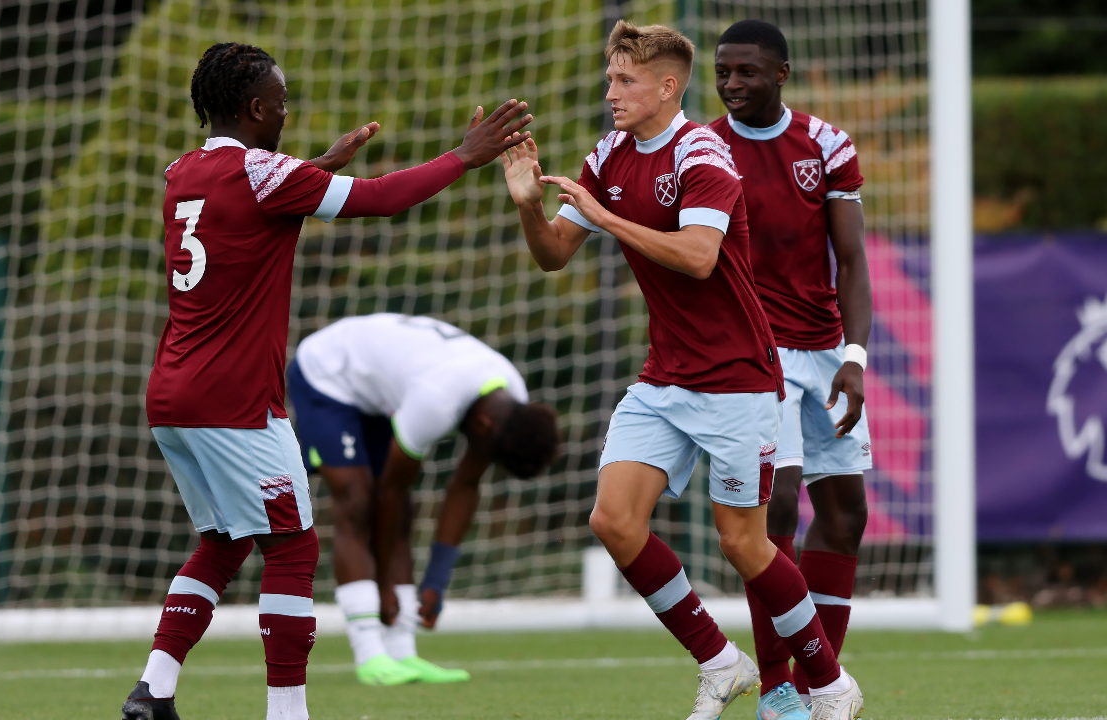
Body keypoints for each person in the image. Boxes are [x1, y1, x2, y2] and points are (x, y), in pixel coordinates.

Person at [122, 42, 533, 720]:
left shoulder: (182, 171)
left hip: (172, 393)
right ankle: (289, 712)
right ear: (256, 107)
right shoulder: (267, 173)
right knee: (295, 547)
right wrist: (465, 156)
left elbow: (244, 211)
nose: (286, 112)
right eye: (281, 103)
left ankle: (153, 692)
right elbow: (380, 199)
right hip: (236, 399)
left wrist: (315, 170)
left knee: (225, 543)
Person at [501, 20, 863, 720]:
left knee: (744, 543)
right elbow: (553, 254)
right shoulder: (607, 153)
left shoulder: (704, 154)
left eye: (625, 80)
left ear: (668, 87)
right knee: (613, 519)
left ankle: (829, 682)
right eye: (610, 78)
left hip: (737, 378)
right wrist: (526, 207)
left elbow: (698, 256)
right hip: (665, 378)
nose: (611, 92)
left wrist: (605, 217)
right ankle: (720, 661)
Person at [710, 20, 873, 720]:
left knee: (845, 515)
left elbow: (853, 259)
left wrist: (857, 357)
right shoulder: (703, 147)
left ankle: (815, 692)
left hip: (826, 350)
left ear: (781, 73)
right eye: (723, 71)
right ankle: (779, 689)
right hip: (755, 353)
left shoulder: (826, 145)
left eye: (747, 71)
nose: (731, 84)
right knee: (775, 508)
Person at [285, 313, 560, 686]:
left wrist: (437, 579)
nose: (482, 459)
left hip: (379, 387)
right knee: (358, 500)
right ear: (483, 427)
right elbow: (390, 490)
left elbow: (465, 485)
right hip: (328, 373)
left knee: (401, 511)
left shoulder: (511, 402)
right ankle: (371, 655)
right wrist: (383, 584)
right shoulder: (437, 402)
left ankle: (403, 652)